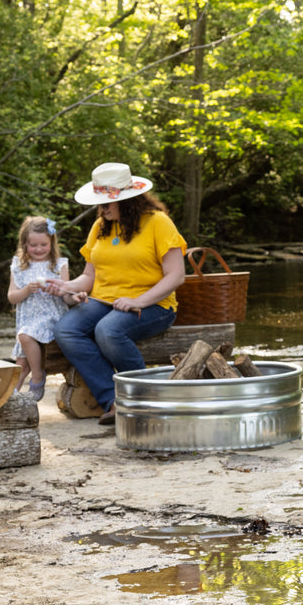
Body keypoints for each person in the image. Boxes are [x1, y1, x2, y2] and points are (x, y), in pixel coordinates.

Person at [46, 163, 187, 426]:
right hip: (104, 300)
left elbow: (176, 275)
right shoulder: (101, 226)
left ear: (129, 199)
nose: (101, 209)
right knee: (66, 329)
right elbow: (89, 277)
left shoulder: (158, 223)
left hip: (154, 304)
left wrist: (138, 301)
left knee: (108, 330)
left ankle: (142, 399)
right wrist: (65, 287)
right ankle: (112, 400)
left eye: (106, 203)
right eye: (98, 203)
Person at [7, 216, 70, 401]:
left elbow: (67, 295)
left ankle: (37, 377)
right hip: (28, 320)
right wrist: (27, 290)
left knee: (25, 336)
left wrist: (60, 291)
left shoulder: (59, 265)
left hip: (52, 318)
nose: (39, 249)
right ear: (24, 244)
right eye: (33, 245)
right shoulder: (18, 266)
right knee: (21, 361)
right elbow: (12, 297)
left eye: (44, 244)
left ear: (52, 242)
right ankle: (10, 397)